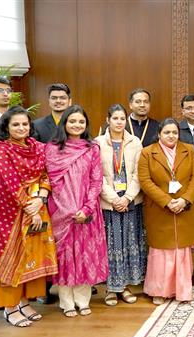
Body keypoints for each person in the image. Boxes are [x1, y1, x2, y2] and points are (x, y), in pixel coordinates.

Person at [0, 105, 58, 327]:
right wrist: (31, 206)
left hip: (37, 208)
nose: (21, 128)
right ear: (6, 127)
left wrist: (42, 197)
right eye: (15, 124)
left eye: (25, 124)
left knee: (32, 258)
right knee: (12, 259)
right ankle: (10, 307)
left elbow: (46, 174)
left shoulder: (37, 147)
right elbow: (6, 184)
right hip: (8, 216)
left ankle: (24, 302)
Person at [45, 105, 108, 317]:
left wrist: (87, 207)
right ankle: (66, 302)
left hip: (87, 212)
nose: (77, 125)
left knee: (84, 254)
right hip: (62, 212)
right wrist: (67, 208)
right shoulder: (53, 148)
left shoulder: (92, 148)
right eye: (72, 121)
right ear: (65, 124)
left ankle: (83, 300)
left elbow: (96, 179)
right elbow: (52, 182)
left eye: (81, 122)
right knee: (65, 256)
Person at [138, 118, 194, 305]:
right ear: (159, 134)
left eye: (174, 132)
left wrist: (184, 199)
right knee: (161, 251)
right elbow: (145, 181)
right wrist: (167, 201)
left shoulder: (189, 150)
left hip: (185, 208)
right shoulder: (147, 153)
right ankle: (159, 290)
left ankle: (182, 290)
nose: (171, 136)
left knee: (182, 250)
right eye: (167, 132)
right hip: (159, 209)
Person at [94, 104, 146, 306]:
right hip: (109, 203)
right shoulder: (97, 143)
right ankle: (110, 289)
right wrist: (114, 199)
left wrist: (127, 198)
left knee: (129, 244)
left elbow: (139, 174)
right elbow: (97, 176)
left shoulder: (135, 142)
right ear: (108, 120)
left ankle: (125, 287)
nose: (119, 122)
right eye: (115, 118)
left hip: (131, 202)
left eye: (122, 118)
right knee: (111, 246)